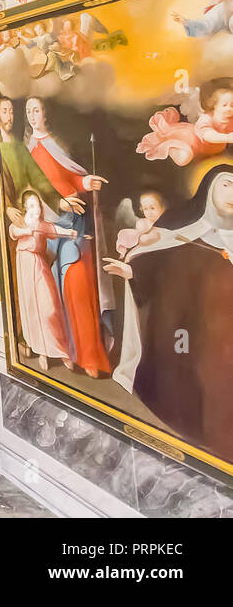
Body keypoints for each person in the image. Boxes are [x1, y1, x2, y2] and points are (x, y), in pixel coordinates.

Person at [103, 165, 233, 458]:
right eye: (226, 185)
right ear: (209, 191)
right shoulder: (186, 232)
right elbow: (155, 262)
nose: (232, 193)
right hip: (194, 336)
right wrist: (131, 271)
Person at [24, 97, 112, 378]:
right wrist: (54, 205)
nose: (32, 115)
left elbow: (71, 179)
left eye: (36, 109)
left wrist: (86, 182)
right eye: (28, 111)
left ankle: (88, 355)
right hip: (46, 228)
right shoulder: (27, 151)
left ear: (46, 114)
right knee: (51, 297)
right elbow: (28, 194)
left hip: (73, 224)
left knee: (77, 287)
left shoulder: (55, 144)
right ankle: (64, 352)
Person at [8, 189, 74, 369]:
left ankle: (61, 351)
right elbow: (13, 231)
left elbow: (56, 230)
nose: (35, 208)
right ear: (25, 208)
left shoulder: (42, 224)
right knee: (31, 309)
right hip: (24, 264)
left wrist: (72, 234)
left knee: (49, 308)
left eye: (37, 204)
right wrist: (27, 229)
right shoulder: (22, 224)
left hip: (38, 264)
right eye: (30, 205)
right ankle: (42, 352)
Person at [137, 78, 233, 166]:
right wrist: (227, 137)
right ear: (213, 104)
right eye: (224, 105)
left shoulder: (230, 119)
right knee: (183, 159)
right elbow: (208, 135)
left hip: (211, 150)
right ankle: (170, 145)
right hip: (191, 139)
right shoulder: (207, 118)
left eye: (232, 105)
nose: (229, 109)